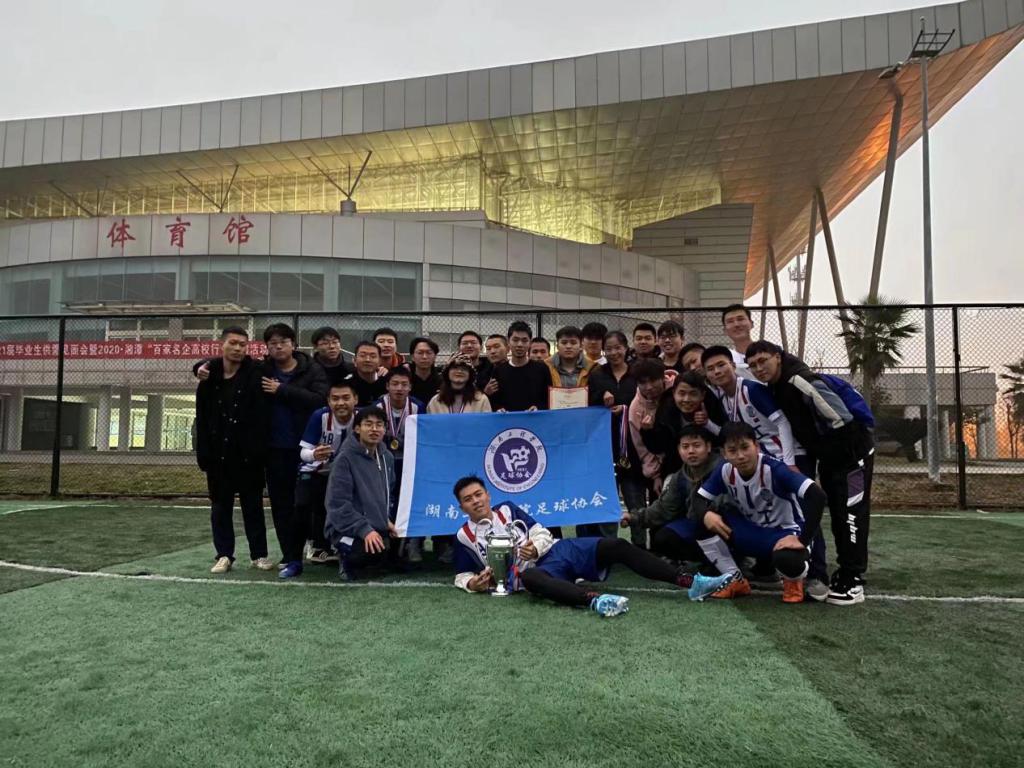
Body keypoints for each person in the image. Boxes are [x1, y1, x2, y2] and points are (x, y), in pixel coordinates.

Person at [449, 476, 732, 614]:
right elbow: (461, 575)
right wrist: (472, 583)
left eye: (478, 494)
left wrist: (535, 547)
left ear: (488, 494)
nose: (476, 501)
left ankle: (691, 583)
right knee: (531, 578)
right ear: (462, 507)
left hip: (556, 551)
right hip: (531, 574)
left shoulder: (508, 509)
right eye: (468, 499)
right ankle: (597, 601)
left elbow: (540, 532)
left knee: (615, 546)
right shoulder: (463, 535)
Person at [745, 340, 875, 606]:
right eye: (753, 365)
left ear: (778, 357)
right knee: (838, 513)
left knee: (850, 514)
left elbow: (841, 419)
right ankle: (846, 572)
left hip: (852, 456)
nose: (759, 368)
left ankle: (853, 579)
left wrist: (844, 458)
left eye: (763, 361)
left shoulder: (799, 380)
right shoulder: (777, 386)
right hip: (833, 459)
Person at [673, 422, 829, 604]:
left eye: (745, 447)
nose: (740, 456)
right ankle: (734, 580)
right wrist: (707, 515)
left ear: (756, 446)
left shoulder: (775, 469)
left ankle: (793, 581)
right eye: (732, 450)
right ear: (724, 453)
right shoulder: (724, 470)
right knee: (702, 524)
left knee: (789, 560)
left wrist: (803, 540)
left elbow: (817, 496)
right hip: (750, 531)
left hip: (783, 534)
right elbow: (699, 499)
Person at [194, 326, 273, 574]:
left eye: (243, 344)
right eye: (233, 343)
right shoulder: (208, 380)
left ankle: (259, 555)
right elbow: (202, 420)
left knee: (253, 507)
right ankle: (224, 555)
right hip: (218, 456)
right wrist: (203, 454)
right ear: (222, 344)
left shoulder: (256, 372)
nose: (238, 348)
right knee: (220, 508)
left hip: (249, 455)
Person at [260, 323, 329, 580]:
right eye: (273, 343)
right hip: (274, 449)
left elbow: (320, 400)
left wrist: (283, 390)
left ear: (293, 344)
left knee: (306, 504)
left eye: (283, 342)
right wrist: (201, 366)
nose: (278, 347)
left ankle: (314, 546)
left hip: (306, 449)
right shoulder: (262, 369)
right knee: (281, 504)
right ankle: (289, 555)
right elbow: (229, 362)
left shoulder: (312, 369)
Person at [324, 407, 398, 581]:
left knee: (395, 552)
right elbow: (338, 504)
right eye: (368, 424)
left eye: (379, 425)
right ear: (357, 428)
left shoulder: (387, 457)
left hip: (376, 523)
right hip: (346, 527)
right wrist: (364, 530)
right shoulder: (344, 459)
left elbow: (389, 493)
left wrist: (387, 520)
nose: (374, 429)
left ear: (385, 429)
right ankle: (343, 552)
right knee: (365, 552)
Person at [626, 426, 721, 559]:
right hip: (696, 523)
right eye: (685, 447)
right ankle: (703, 561)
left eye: (696, 445)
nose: (691, 451)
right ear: (678, 450)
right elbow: (664, 508)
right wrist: (634, 517)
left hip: (722, 523)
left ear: (708, 447)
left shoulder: (723, 468)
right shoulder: (680, 477)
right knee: (664, 537)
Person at [296, 381, 357, 564]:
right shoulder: (320, 416)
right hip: (318, 471)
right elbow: (303, 452)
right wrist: (314, 454)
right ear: (329, 401)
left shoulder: (362, 417)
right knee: (303, 504)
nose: (341, 403)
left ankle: (340, 543)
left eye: (346, 398)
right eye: (335, 399)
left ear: (355, 399)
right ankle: (303, 549)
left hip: (348, 475)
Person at [583, 330, 637, 539]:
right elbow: (588, 402)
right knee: (606, 498)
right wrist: (600, 396)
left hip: (632, 445)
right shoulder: (597, 374)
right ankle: (610, 545)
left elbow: (645, 399)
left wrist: (625, 408)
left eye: (618, 348)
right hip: (604, 446)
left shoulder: (636, 372)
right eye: (609, 349)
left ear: (626, 348)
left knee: (635, 498)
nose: (614, 352)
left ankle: (640, 544)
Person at [373, 367, 427, 563]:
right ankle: (386, 541)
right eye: (395, 384)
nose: (399, 388)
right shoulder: (378, 406)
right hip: (383, 461)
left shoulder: (418, 406)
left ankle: (413, 542)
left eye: (404, 384)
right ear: (387, 386)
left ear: (410, 387)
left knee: (412, 501)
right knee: (387, 500)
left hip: (410, 463)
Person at [641, 370, 725, 480]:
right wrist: (648, 431)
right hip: (676, 469)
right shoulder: (666, 411)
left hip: (712, 469)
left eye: (693, 394)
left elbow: (725, 438)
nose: (686, 399)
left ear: (702, 395)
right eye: (682, 393)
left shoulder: (712, 406)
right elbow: (659, 448)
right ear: (674, 393)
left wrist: (707, 423)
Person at [489, 321, 552, 412]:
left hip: (534, 418)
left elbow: (548, 398)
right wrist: (499, 409)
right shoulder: (498, 370)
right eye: (515, 340)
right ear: (508, 342)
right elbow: (494, 400)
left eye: (524, 340)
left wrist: (538, 408)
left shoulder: (542, 369)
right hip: (507, 420)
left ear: (530, 343)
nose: (519, 344)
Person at [628, 358, 670, 496]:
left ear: (662, 377)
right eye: (643, 383)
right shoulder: (636, 409)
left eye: (653, 381)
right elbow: (641, 447)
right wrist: (655, 475)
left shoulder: (677, 392)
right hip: (662, 468)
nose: (649, 387)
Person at [426, 355, 493, 414]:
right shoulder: (435, 401)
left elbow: (486, 422)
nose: (459, 371)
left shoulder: (481, 399)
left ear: (470, 375)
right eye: (455, 368)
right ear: (447, 373)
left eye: (464, 369)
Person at [546, 325, 596, 390]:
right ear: (557, 346)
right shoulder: (546, 366)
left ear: (581, 346)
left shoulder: (593, 368)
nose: (568, 346)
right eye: (564, 343)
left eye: (573, 343)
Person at [344, 341, 387, 406]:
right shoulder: (345, 384)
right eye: (362, 356)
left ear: (380, 361)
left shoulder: (387, 382)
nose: (367, 360)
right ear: (354, 360)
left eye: (373, 356)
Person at [407, 336, 442, 404]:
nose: (424, 357)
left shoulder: (442, 382)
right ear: (412, 357)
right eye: (420, 353)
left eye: (429, 353)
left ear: (435, 356)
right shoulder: (405, 380)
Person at [722, 304, 755, 375]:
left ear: (751, 324)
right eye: (730, 321)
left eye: (740, 319)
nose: (736, 324)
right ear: (725, 330)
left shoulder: (769, 352)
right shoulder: (726, 359)